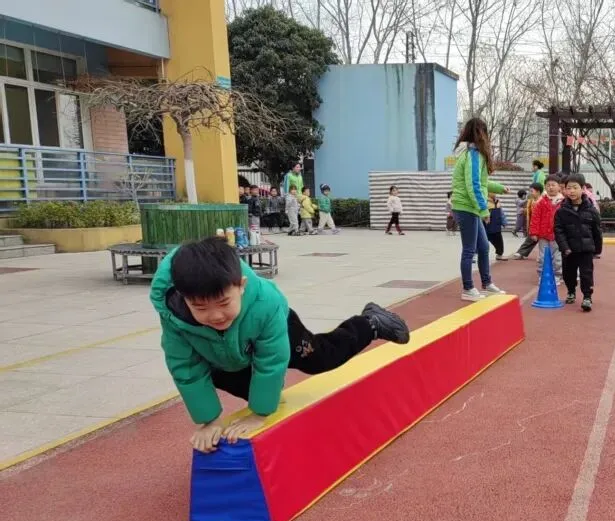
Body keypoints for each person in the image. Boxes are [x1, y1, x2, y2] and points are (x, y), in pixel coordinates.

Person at [150, 236, 411, 453]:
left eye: (223, 303)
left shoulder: (266, 303)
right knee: (225, 375)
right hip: (227, 354)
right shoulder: (175, 317)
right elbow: (185, 368)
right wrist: (209, 421)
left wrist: (259, 413)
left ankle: (371, 323)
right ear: (184, 298)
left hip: (276, 329)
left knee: (320, 358)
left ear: (241, 286)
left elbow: (271, 360)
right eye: (200, 307)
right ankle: (266, 395)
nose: (215, 315)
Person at [450, 117, 507, 301]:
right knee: (469, 249)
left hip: (470, 206)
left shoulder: (471, 153)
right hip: (466, 206)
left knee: (483, 247)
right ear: (482, 133)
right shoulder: (473, 154)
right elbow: (473, 185)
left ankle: (487, 283)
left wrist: (499, 188)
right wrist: (484, 210)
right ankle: (468, 288)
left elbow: (481, 182)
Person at [554, 173, 603, 312]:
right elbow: (558, 231)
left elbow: (597, 231)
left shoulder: (592, 210)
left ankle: (587, 297)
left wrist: (597, 249)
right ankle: (571, 291)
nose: (571, 191)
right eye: (568, 188)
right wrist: (564, 247)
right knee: (568, 274)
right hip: (569, 250)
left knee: (586, 274)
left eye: (575, 188)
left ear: (582, 189)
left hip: (586, 249)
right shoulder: (561, 211)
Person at [528, 173, 564, 282]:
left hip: (558, 235)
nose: (551, 187)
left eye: (553, 185)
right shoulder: (541, 202)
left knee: (557, 257)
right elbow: (535, 218)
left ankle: (557, 275)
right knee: (543, 257)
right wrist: (534, 232)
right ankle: (542, 275)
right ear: (545, 187)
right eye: (548, 185)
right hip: (543, 235)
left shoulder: (563, 202)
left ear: (559, 187)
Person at [512, 182, 544, 260]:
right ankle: (521, 253)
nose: (530, 193)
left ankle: (522, 253)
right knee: (531, 239)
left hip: (542, 225)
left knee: (543, 242)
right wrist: (525, 210)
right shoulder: (531, 201)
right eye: (530, 191)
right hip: (534, 224)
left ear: (538, 191)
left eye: (532, 191)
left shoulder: (543, 201)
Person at [486, 194, 508, 260]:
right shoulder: (485, 201)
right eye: (492, 192)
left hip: (496, 226)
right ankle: (475, 255)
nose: (494, 194)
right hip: (487, 225)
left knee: (499, 241)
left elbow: (501, 213)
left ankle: (499, 254)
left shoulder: (497, 201)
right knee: (482, 241)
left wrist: (504, 222)